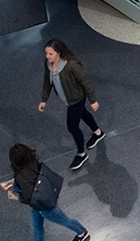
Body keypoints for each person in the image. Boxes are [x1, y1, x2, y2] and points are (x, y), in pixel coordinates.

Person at [0, 143, 90, 241]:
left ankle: (82, 232)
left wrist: (14, 196)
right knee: (36, 226)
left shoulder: (21, 175)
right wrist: (12, 182)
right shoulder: (32, 162)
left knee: (63, 220)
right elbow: (30, 179)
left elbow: (27, 197)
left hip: (45, 206)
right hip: (43, 198)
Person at [39, 38, 105, 170]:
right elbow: (47, 82)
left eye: (50, 54)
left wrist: (93, 100)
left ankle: (81, 154)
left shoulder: (71, 65)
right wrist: (44, 99)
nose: (47, 56)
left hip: (76, 99)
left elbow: (85, 82)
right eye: (46, 53)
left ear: (58, 52)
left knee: (72, 126)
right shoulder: (49, 64)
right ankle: (98, 133)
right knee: (84, 114)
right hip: (67, 100)